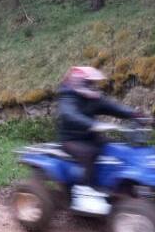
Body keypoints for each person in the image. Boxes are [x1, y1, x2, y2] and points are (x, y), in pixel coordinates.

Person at [56, 66, 144, 213]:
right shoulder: (67, 97)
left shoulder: (92, 98)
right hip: (71, 139)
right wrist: (93, 124)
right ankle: (85, 192)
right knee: (89, 154)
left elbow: (112, 108)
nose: (93, 86)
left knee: (117, 150)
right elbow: (70, 115)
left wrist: (134, 114)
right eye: (89, 82)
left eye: (93, 83)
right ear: (80, 82)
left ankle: (113, 185)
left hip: (90, 136)